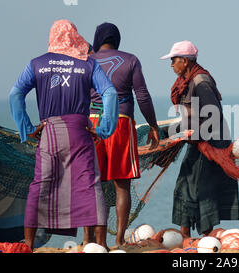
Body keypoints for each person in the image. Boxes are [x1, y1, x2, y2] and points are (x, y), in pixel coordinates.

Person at [9, 19, 119, 250]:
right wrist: (104, 129)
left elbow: (15, 94)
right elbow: (109, 93)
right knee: (90, 184)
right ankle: (100, 244)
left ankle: (28, 244)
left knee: (40, 184)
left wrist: (27, 128)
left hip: (49, 133)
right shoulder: (88, 64)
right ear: (75, 36)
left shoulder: (37, 64)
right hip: (80, 132)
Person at [86, 22, 160, 246]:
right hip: (121, 124)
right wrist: (153, 125)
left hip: (92, 126)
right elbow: (143, 96)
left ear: (98, 39)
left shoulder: (88, 60)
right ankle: (118, 240)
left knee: (91, 184)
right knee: (122, 185)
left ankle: (89, 241)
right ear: (117, 40)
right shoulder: (131, 60)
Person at [160, 41, 239, 237]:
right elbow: (192, 118)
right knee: (184, 184)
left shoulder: (201, 82)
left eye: (173, 60)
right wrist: (174, 132)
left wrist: (191, 135)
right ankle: (186, 237)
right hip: (198, 142)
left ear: (185, 61)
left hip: (211, 145)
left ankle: (207, 239)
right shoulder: (186, 83)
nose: (171, 64)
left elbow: (214, 117)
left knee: (201, 189)